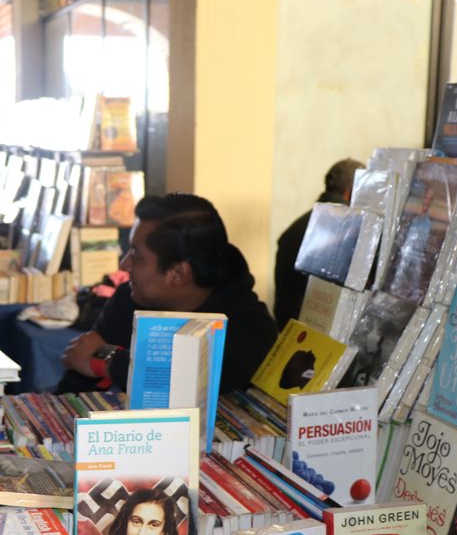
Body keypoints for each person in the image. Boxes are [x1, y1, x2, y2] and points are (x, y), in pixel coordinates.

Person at [58, 192, 278, 394]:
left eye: (137, 254)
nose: (124, 264)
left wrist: (107, 361)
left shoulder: (250, 328)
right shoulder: (129, 298)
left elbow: (193, 383)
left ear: (177, 273)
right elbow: (78, 373)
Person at [273, 158, 361, 326]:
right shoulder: (348, 231)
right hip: (321, 336)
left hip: (289, 331)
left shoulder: (296, 227)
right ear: (352, 192)